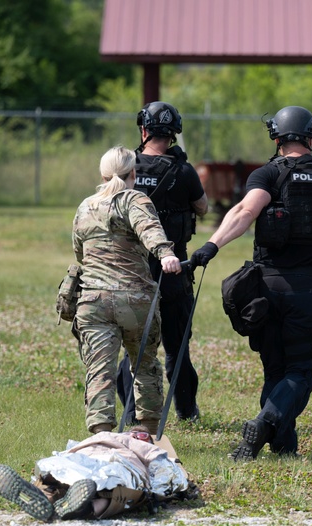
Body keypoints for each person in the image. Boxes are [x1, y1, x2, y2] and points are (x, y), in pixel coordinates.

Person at [189, 106, 312, 461]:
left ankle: (283, 448)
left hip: (266, 286)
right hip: (308, 289)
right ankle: (264, 424)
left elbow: (246, 212)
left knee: (275, 368)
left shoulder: (269, 174)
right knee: (301, 370)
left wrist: (210, 246)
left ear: (277, 138)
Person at [72, 145, 182, 436]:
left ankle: (102, 435)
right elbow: (148, 228)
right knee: (144, 364)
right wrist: (165, 254)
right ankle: (146, 429)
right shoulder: (134, 199)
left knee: (100, 369)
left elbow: (79, 253)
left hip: (93, 301)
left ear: (103, 174)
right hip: (134, 301)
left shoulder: (86, 205)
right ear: (133, 173)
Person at [116, 101, 209, 423]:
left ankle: (130, 413)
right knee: (176, 345)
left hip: (132, 270)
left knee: (135, 346)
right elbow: (203, 207)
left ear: (143, 130)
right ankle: (186, 410)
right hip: (174, 269)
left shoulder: (127, 170)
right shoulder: (183, 171)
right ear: (174, 135)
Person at [0, 428, 192, 522]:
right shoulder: (133, 444)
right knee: (106, 492)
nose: (135, 436)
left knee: (68, 482)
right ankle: (72, 506)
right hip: (100, 460)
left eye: (141, 436)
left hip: (96, 460)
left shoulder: (109, 438)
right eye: (136, 433)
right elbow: (166, 477)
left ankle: (50, 498)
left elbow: (165, 473)